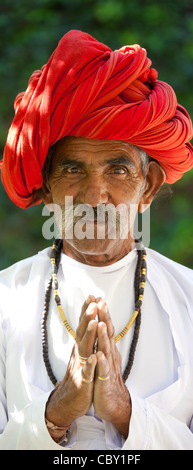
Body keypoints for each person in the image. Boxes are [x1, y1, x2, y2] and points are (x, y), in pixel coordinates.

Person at [0, 30, 193, 450]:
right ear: (47, 190)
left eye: (118, 170)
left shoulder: (190, 298)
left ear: (148, 187)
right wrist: (53, 414)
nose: (94, 196)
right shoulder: (4, 297)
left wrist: (124, 411)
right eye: (72, 170)